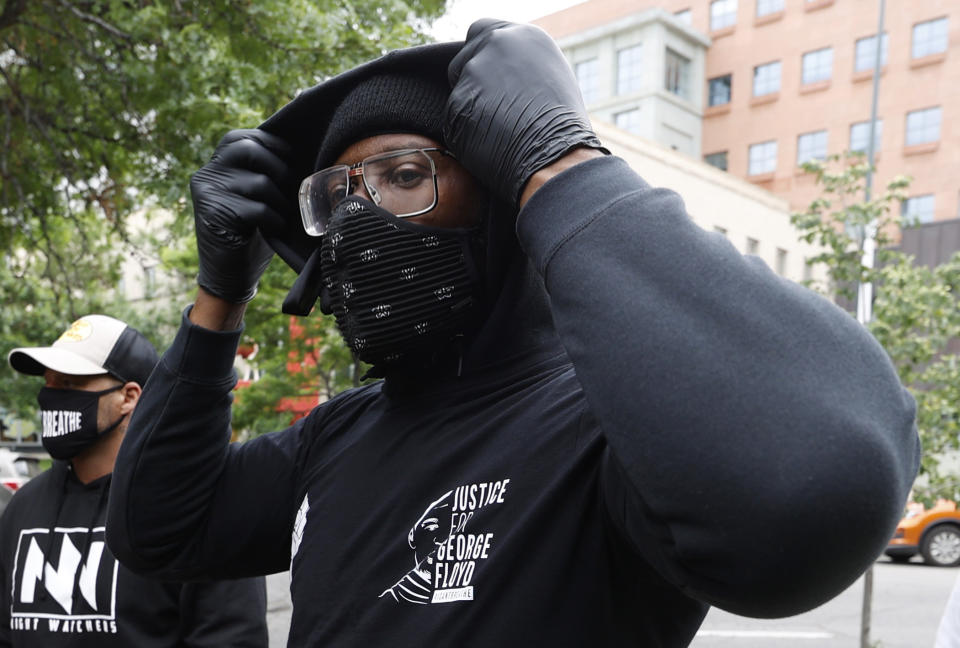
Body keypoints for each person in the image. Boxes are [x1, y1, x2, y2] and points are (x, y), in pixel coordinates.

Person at [106, 20, 920, 646]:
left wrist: (560, 162)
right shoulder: (338, 435)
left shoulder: (605, 425)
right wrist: (220, 299)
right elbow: (156, 528)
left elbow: (811, 489)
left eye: (403, 175)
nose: (359, 215)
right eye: (338, 193)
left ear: (501, 202)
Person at [2, 315, 268, 647]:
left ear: (129, 397)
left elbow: (230, 637)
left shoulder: (193, 509)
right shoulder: (23, 508)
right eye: (49, 382)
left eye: (69, 384)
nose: (50, 396)